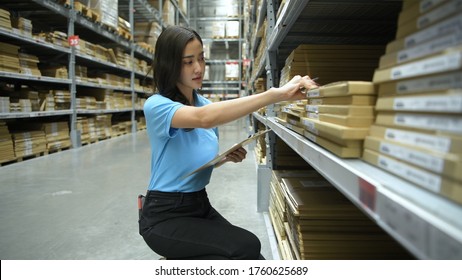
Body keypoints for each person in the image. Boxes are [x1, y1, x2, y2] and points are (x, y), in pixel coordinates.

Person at [138, 25, 318, 260]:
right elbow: (204, 119)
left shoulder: (204, 103)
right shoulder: (157, 105)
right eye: (188, 61)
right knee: (245, 246)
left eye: (201, 59)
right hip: (164, 214)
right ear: (169, 64)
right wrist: (276, 94)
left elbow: (187, 162)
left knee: (252, 255)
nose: (198, 68)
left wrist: (222, 160)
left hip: (198, 205)